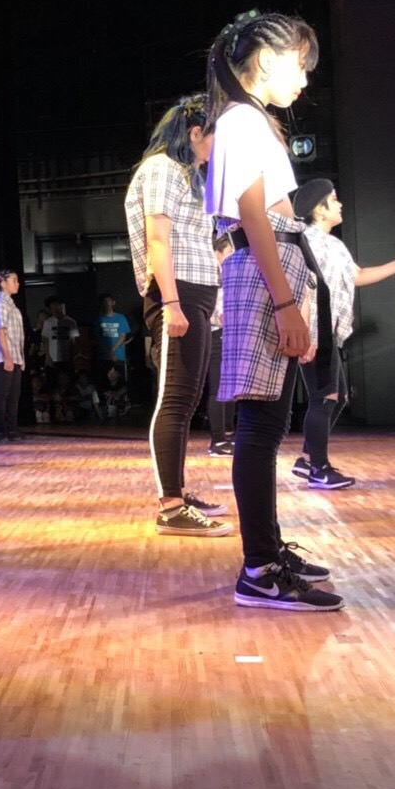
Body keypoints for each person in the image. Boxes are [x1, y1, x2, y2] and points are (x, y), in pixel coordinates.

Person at [204, 9, 341, 611]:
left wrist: (298, 293)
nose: (305, 80)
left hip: (274, 268)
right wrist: (286, 301)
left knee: (269, 424)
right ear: (266, 59)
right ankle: (259, 568)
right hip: (264, 273)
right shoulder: (240, 120)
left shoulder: (251, 120)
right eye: (300, 65)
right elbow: (253, 213)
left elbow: (277, 215)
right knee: (261, 427)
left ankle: (269, 551)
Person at [123, 94, 233, 538]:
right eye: (213, 139)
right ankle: (170, 507)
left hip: (196, 293)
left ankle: (179, 493)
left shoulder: (188, 174)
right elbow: (158, 240)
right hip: (178, 293)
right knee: (174, 399)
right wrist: (171, 304)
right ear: (194, 133)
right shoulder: (162, 169)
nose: (214, 150)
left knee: (187, 401)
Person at [290, 179, 395, 488]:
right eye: (334, 199)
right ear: (319, 209)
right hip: (316, 330)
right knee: (325, 397)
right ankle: (319, 468)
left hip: (331, 332)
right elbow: (300, 286)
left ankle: (308, 459)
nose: (340, 204)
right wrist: (306, 332)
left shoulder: (334, 245)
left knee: (338, 397)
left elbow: (358, 275)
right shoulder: (304, 241)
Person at [0, 270, 27, 440]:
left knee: (14, 395)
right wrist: (7, 357)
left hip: (15, 355)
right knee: (2, 394)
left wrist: (20, 358)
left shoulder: (11, 305)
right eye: (14, 280)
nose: (17, 284)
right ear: (3, 283)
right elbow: (0, 331)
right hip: (4, 356)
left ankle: (12, 428)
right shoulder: (0, 304)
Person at [206, 234, 237, 456]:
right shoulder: (212, 275)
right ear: (218, 252)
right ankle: (217, 440)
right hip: (216, 333)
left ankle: (227, 434)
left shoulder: (226, 276)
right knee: (218, 387)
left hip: (228, 334)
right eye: (230, 252)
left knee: (230, 387)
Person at [95, 294, 132, 384]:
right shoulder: (99, 319)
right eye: (105, 302)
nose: (107, 304)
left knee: (120, 381)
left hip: (118, 355)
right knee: (104, 382)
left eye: (109, 301)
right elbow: (98, 337)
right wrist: (107, 352)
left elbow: (123, 336)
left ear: (113, 302)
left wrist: (112, 350)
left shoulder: (121, 318)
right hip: (104, 356)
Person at [41, 297, 79, 378]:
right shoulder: (48, 322)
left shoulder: (71, 322)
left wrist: (72, 356)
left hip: (66, 357)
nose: (55, 309)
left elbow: (74, 340)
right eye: (52, 308)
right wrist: (48, 356)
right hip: (53, 358)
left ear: (60, 306)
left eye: (56, 306)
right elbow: (45, 339)